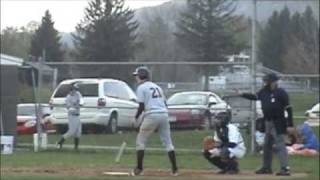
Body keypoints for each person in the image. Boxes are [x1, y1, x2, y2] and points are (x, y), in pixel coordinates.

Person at [237, 73, 294, 176]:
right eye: (266, 81)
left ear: (274, 82)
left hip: (278, 122)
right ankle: (266, 167)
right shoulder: (264, 91)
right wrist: (242, 94)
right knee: (267, 145)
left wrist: (290, 124)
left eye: (269, 81)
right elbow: (255, 97)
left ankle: (285, 168)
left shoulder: (281, 93)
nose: (267, 83)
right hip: (268, 121)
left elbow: (288, 108)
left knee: (280, 144)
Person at [131, 66, 178, 176]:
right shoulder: (157, 87)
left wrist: (135, 118)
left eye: (137, 75)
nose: (136, 78)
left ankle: (139, 169)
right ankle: (175, 169)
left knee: (140, 141)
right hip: (164, 114)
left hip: (152, 115)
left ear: (141, 76)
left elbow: (141, 106)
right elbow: (164, 103)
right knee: (168, 142)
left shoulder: (141, 87)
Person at [56, 83, 83, 150]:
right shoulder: (68, 98)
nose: (74, 91)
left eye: (75, 90)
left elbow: (81, 101)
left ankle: (76, 147)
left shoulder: (78, 94)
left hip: (78, 115)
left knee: (78, 132)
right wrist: (76, 107)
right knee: (71, 131)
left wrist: (80, 104)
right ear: (70, 91)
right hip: (72, 116)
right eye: (73, 90)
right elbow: (70, 109)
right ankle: (59, 142)